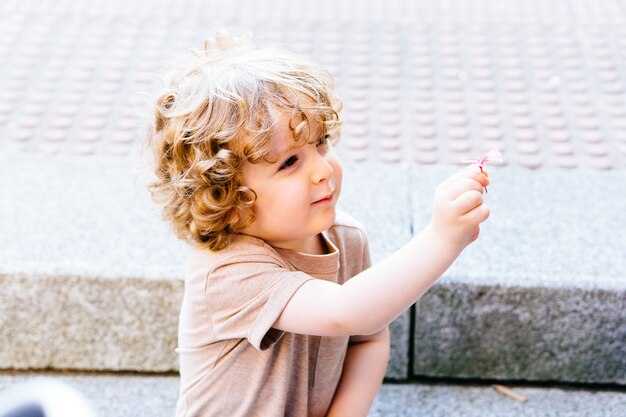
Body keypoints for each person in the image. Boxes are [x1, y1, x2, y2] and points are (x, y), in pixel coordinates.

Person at [145, 29, 491, 417]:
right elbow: (347, 311)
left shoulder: (347, 239)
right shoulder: (227, 270)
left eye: (322, 143)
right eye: (290, 162)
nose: (323, 169)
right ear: (226, 199)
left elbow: (367, 338)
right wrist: (442, 239)